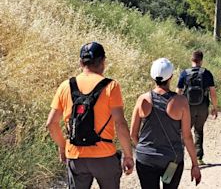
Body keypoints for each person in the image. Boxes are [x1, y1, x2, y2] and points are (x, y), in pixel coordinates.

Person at [46, 42, 134, 189]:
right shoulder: (111, 86)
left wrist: (63, 147)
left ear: (81, 62)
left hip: (76, 156)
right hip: (104, 156)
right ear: (103, 62)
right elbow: (120, 124)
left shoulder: (65, 86)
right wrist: (128, 155)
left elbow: (51, 124)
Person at [130, 58, 201, 189]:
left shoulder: (142, 99)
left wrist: (145, 150)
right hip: (172, 159)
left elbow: (133, 134)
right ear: (171, 77)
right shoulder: (181, 101)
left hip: (146, 159)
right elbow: (187, 137)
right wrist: (195, 164)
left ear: (152, 77)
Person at [176, 50, 218, 165]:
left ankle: (178, 157)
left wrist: (177, 108)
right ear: (201, 60)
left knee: (184, 132)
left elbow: (178, 92)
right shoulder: (207, 73)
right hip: (203, 106)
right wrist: (215, 107)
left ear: (192, 60)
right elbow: (213, 93)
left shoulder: (185, 73)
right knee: (199, 130)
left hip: (187, 107)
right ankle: (199, 158)